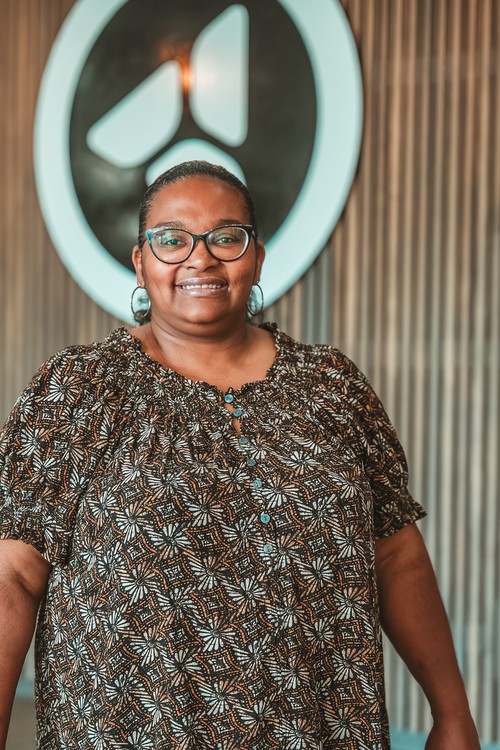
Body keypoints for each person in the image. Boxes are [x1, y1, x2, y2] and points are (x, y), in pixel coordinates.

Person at [0, 161, 479, 750]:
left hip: (322, 730)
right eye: (171, 239)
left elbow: (397, 556)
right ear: (141, 262)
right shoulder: (78, 389)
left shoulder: (331, 385)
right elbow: (13, 575)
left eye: (226, 237)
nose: (199, 259)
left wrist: (452, 712)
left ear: (256, 257)